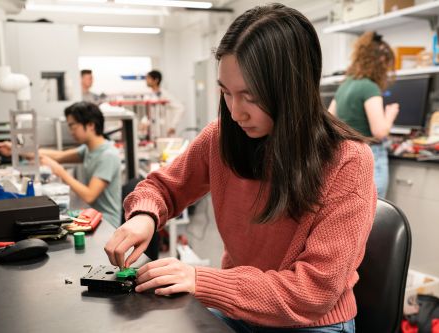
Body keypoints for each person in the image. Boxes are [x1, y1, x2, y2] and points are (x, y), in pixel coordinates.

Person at [105, 4, 376, 332]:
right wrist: (144, 217)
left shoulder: (347, 160)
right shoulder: (222, 137)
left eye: (250, 96)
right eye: (226, 93)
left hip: (311, 323)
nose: (235, 112)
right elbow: (161, 187)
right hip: (241, 311)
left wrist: (200, 279)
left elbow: (312, 292)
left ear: (292, 89)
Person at [0, 102, 122, 227]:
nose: (70, 131)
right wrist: (16, 149)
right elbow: (58, 156)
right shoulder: (88, 149)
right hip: (92, 215)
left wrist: (59, 171)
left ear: (90, 125)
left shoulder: (108, 156)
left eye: (73, 126)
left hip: (107, 223)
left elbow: (89, 196)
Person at [328, 31, 399, 198]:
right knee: (376, 212)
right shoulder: (369, 87)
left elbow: (329, 121)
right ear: (379, 62)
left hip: (347, 156)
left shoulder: (345, 85)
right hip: (370, 154)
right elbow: (379, 132)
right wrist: (390, 115)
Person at [145, 69, 184, 136]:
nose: (146, 80)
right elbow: (150, 113)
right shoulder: (148, 95)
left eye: (148, 78)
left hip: (164, 129)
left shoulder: (165, 95)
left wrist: (173, 125)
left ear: (156, 80)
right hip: (152, 129)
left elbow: (180, 108)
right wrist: (144, 122)